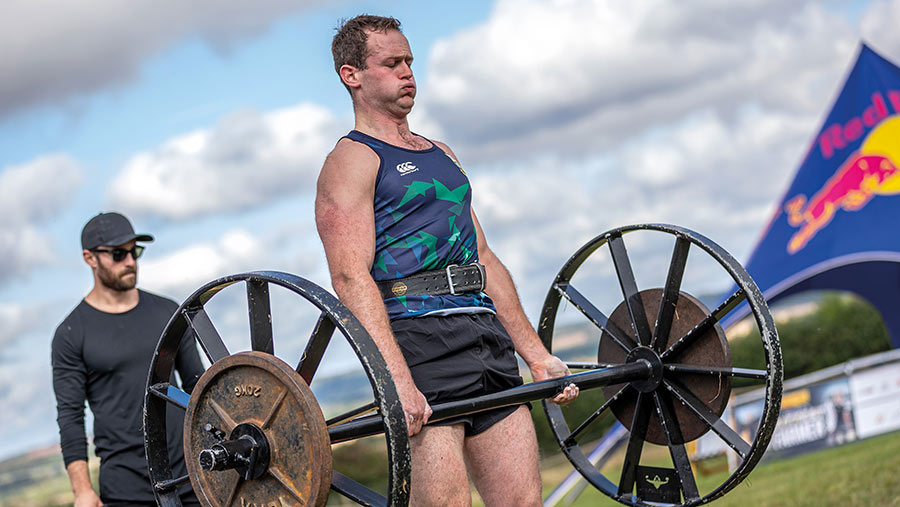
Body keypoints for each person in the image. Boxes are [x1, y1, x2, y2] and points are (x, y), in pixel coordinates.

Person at [316, 15, 579, 505]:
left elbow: (482, 256)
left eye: (409, 62)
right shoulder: (352, 160)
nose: (407, 73)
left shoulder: (442, 152)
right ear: (351, 75)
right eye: (391, 63)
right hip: (419, 344)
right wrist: (397, 381)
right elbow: (350, 275)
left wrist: (536, 355)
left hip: (484, 331)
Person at [51, 212, 204, 506]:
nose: (130, 262)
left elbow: (198, 386)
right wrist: (82, 490)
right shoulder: (70, 334)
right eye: (118, 254)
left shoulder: (168, 312)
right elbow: (70, 416)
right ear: (90, 258)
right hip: (126, 492)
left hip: (192, 476)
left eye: (134, 251)